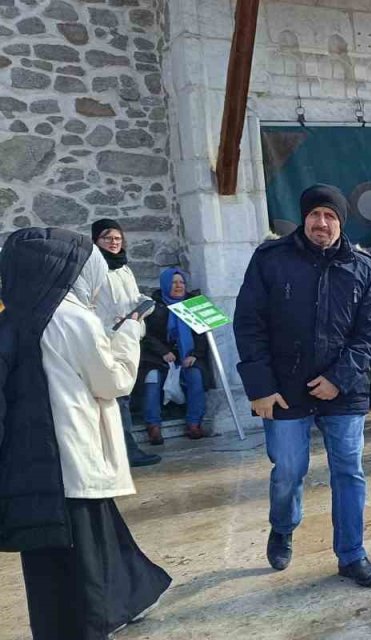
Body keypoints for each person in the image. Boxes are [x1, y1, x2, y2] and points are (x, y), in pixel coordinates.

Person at [1, 228, 171, 639]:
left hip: (30, 467)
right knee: (87, 571)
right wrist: (130, 331)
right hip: (73, 462)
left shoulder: (11, 316)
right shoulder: (70, 317)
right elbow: (112, 381)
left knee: (46, 572)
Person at [233, 184, 371, 588]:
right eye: (316, 214)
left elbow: (370, 335)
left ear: (341, 222)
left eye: (330, 216)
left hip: (344, 391)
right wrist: (260, 387)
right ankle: (282, 526)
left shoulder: (363, 268)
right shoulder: (271, 260)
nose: (322, 223)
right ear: (303, 219)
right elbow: (249, 324)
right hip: (284, 388)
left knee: (349, 471)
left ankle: (352, 554)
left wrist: (339, 378)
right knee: (288, 469)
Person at [90, 218, 161, 466]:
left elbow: (132, 297)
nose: (113, 242)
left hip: (129, 337)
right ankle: (124, 450)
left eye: (117, 238)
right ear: (96, 240)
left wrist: (144, 306)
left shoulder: (124, 268)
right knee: (117, 395)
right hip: (108, 339)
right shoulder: (92, 267)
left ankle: (121, 448)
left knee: (124, 395)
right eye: (107, 238)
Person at [139, 268, 215, 442]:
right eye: (174, 283)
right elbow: (145, 335)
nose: (179, 286)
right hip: (157, 359)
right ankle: (153, 426)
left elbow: (202, 334)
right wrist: (163, 352)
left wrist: (195, 354)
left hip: (187, 356)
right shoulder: (153, 306)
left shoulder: (192, 305)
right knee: (152, 378)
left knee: (196, 375)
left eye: (181, 282)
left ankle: (194, 423)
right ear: (166, 284)